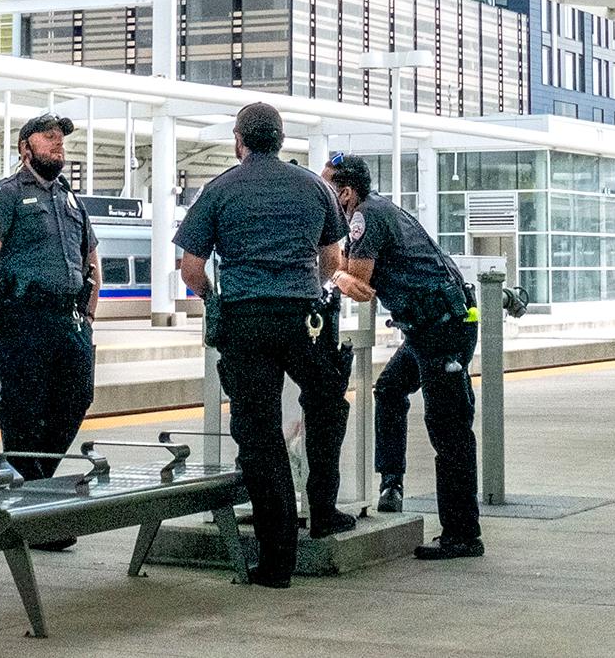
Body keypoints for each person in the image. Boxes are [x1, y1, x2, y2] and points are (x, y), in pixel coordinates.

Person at [176, 103, 353, 589]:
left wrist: (215, 297)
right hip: (304, 318)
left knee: (258, 433)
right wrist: (305, 286)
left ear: (240, 140)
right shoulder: (315, 186)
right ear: (280, 138)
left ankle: (276, 563)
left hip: (247, 320)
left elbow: (191, 268)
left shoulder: (220, 189)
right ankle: (322, 511)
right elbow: (331, 258)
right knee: (326, 405)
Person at [327, 154, 484, 560]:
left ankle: (463, 535)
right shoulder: (375, 210)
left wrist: (331, 272)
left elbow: (359, 284)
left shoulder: (364, 216)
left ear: (345, 192)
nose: (323, 196)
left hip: (441, 329)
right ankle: (391, 482)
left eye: (327, 188)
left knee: (449, 428)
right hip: (428, 328)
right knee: (390, 389)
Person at [0, 113, 101, 494]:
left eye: (61, 139)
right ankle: (36, 502)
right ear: (26, 148)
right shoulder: (2, 195)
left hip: (67, 320)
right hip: (21, 320)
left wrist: (88, 314)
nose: (58, 144)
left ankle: (33, 485)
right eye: (49, 138)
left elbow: (90, 256)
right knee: (24, 411)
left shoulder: (70, 198)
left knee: (76, 399)